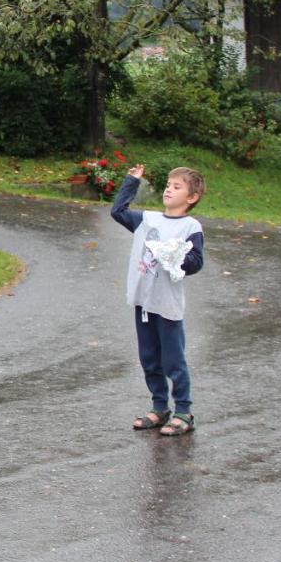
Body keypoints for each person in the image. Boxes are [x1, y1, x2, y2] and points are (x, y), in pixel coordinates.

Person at [110, 164, 205, 436]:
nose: (168, 189)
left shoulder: (190, 226)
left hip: (167, 304)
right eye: (167, 184)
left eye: (177, 187)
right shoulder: (147, 220)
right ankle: (160, 406)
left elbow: (196, 262)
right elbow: (117, 211)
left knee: (173, 360)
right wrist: (132, 181)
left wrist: (177, 260)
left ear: (191, 198)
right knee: (149, 357)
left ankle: (184, 411)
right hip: (144, 301)